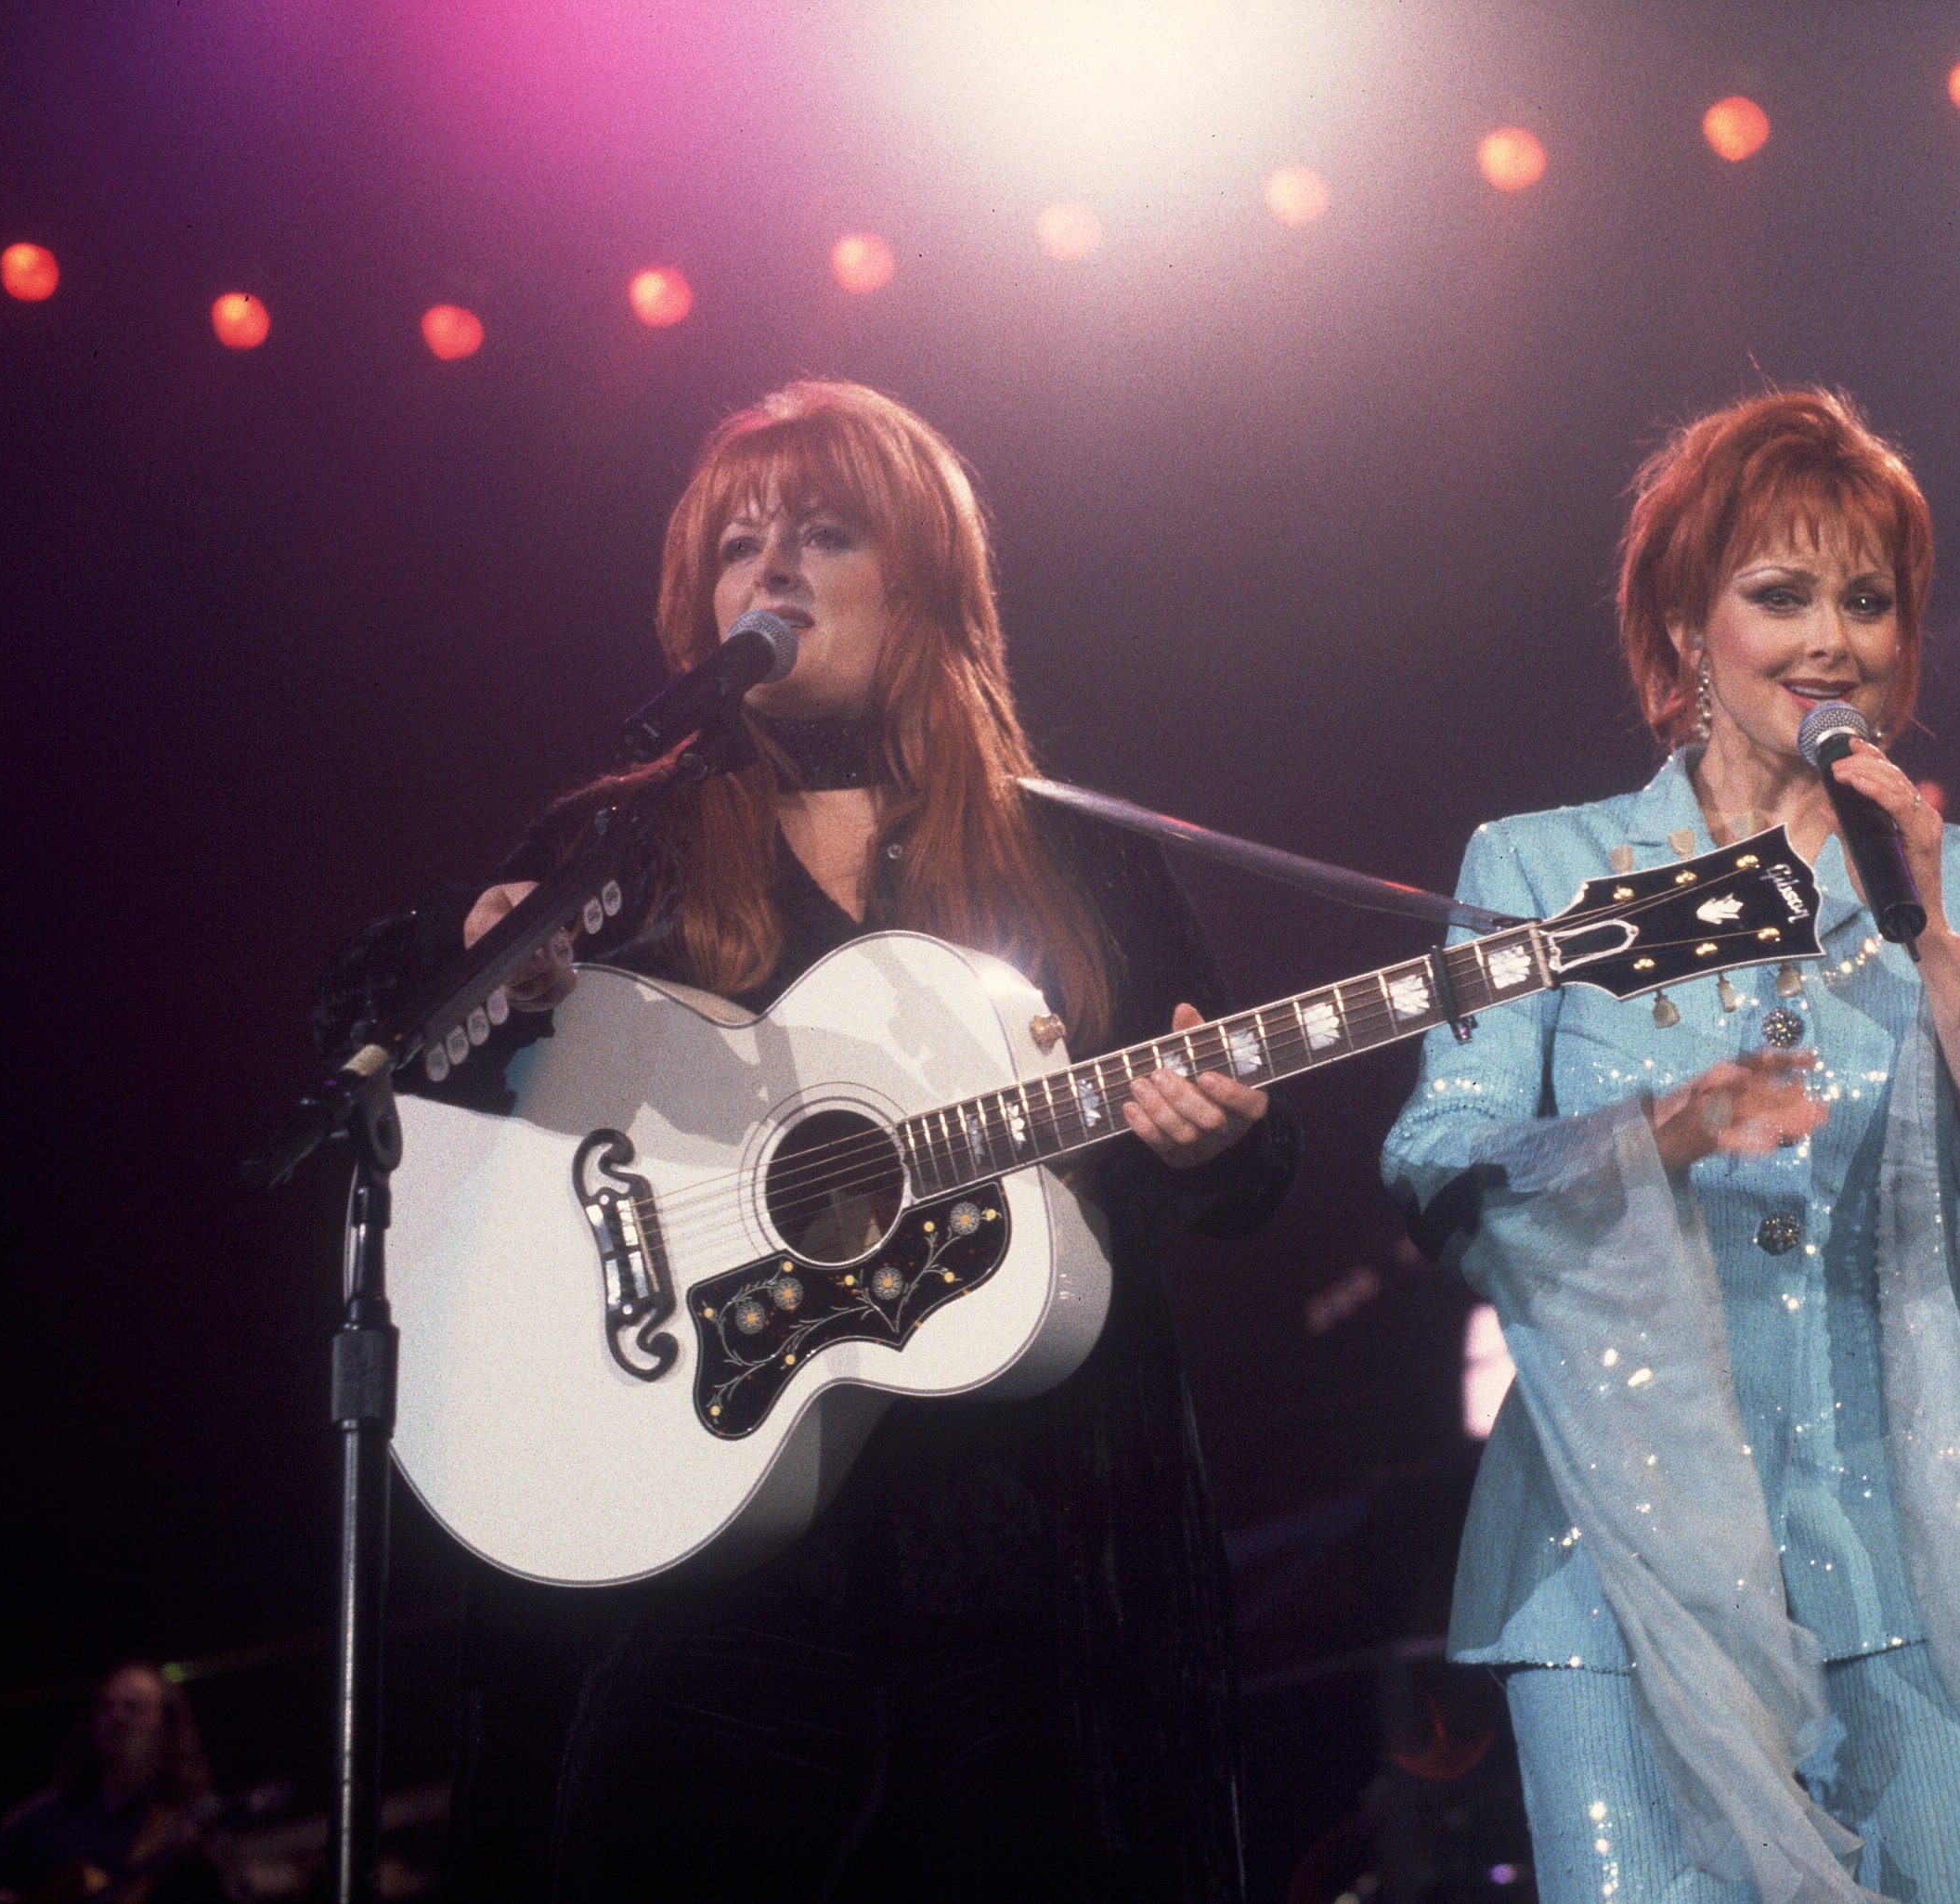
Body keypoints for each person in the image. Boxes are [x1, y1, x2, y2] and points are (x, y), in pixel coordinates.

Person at [314, 380, 1293, 1900]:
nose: (767, 576)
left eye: (821, 536)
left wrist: (1205, 1137)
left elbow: (1245, 1174)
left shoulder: (1080, 858)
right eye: (734, 548)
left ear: (925, 583)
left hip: (1022, 1547)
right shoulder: (622, 848)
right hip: (704, 1528)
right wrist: (476, 935)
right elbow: (368, 1027)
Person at [1382, 388, 1960, 1903]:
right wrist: (1654, 1130)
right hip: (1616, 1565)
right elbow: (1441, 1162)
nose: (1832, 638)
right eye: (1781, 594)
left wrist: (1949, 955)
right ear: (1682, 626)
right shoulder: (1542, 869)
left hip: (1920, 1553)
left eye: (1866, 598)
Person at [0, 1663, 225, 1903]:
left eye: (133, 1708)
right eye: (107, 1706)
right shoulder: (53, 1811)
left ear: (166, 1727)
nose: (117, 1716)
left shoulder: (192, 1816)